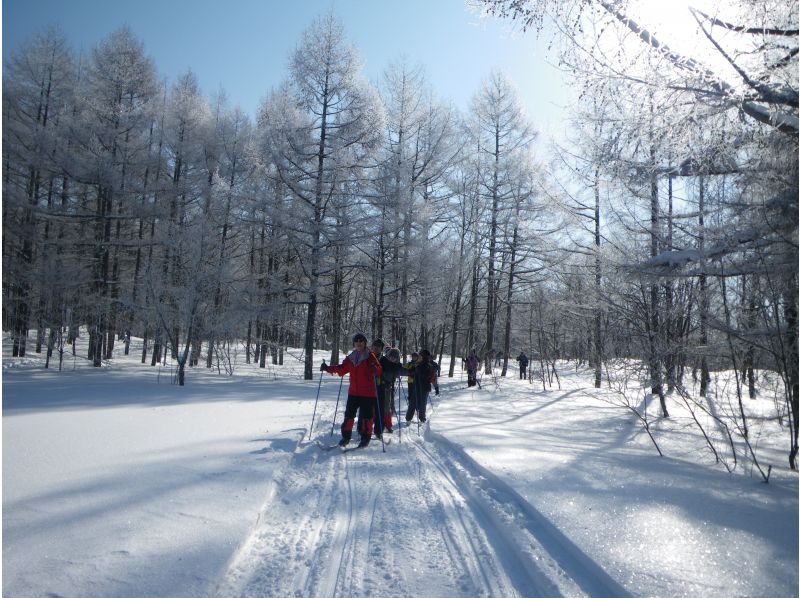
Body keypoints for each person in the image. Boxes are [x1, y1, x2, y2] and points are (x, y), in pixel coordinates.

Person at [321, 333, 382, 448]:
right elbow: (342, 369)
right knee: (349, 415)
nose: (359, 343)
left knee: (366, 417)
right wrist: (327, 368)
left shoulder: (370, 356)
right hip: (353, 392)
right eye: (356, 342)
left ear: (364, 343)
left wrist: (375, 368)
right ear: (354, 344)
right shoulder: (351, 357)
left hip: (368, 393)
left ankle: (365, 438)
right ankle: (346, 437)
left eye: (361, 341)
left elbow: (379, 370)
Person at [377, 346, 404, 435]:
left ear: (397, 359)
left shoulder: (396, 365)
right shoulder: (382, 361)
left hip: (388, 388)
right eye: (391, 356)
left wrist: (411, 371)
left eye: (395, 357)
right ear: (388, 356)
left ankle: (387, 425)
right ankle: (377, 424)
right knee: (377, 406)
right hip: (378, 386)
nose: (392, 358)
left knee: (387, 407)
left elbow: (401, 371)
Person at [406, 349, 436, 423]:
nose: (418, 357)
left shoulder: (428, 366)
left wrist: (417, 372)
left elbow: (425, 376)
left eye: (420, 355)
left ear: (423, 357)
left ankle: (422, 419)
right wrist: (411, 372)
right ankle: (408, 418)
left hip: (424, 388)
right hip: (416, 386)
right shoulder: (418, 365)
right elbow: (411, 373)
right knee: (412, 402)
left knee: (422, 404)